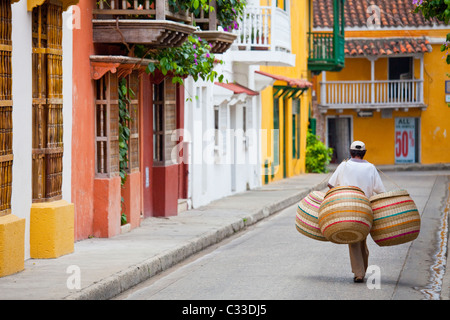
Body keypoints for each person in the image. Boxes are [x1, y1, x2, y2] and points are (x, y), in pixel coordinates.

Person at [327, 140, 386, 283]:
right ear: (364, 153)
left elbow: (331, 185)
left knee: (353, 240)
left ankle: (359, 273)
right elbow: (381, 191)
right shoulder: (371, 168)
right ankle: (362, 270)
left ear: (351, 152)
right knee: (361, 239)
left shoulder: (344, 165)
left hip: (347, 208)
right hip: (366, 209)